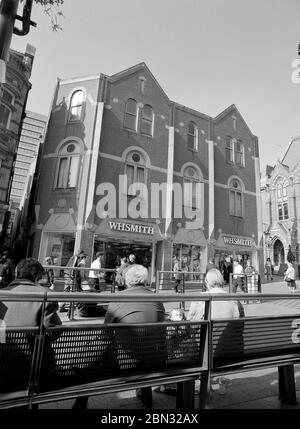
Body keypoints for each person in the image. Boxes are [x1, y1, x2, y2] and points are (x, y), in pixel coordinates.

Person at [73, 264, 166, 409]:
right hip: (154, 361)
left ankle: (80, 403)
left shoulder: (119, 297)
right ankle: (146, 394)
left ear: (128, 281)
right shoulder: (157, 299)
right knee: (144, 344)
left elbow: (106, 333)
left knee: (93, 356)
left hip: (125, 363)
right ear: (145, 280)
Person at [0, 258, 62, 328]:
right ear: (37, 276)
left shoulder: (3, 293)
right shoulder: (47, 295)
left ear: (16, 273)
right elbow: (53, 329)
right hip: (32, 338)